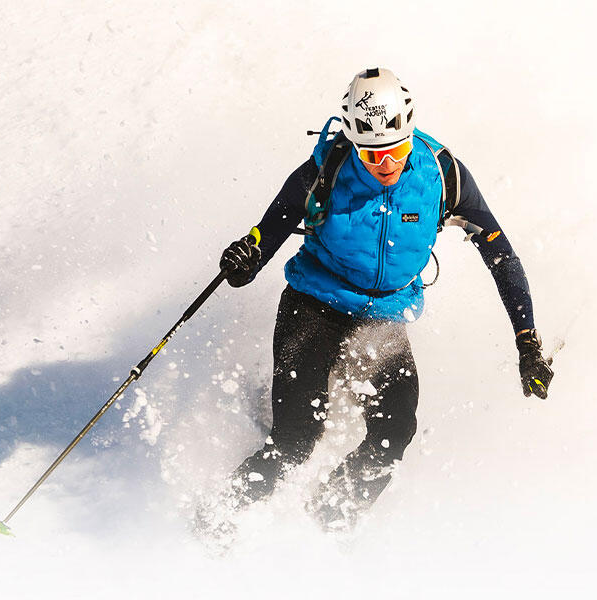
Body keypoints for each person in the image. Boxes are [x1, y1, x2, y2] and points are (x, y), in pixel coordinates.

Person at [207, 68, 554, 532]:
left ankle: (326, 524)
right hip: (314, 306)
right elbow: (263, 239)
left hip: (383, 322)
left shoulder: (442, 174)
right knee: (295, 440)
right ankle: (215, 522)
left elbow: (501, 255)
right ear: (352, 141)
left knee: (394, 434)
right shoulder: (325, 169)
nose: (385, 163)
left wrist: (527, 342)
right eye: (371, 154)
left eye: (395, 149)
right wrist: (244, 258)